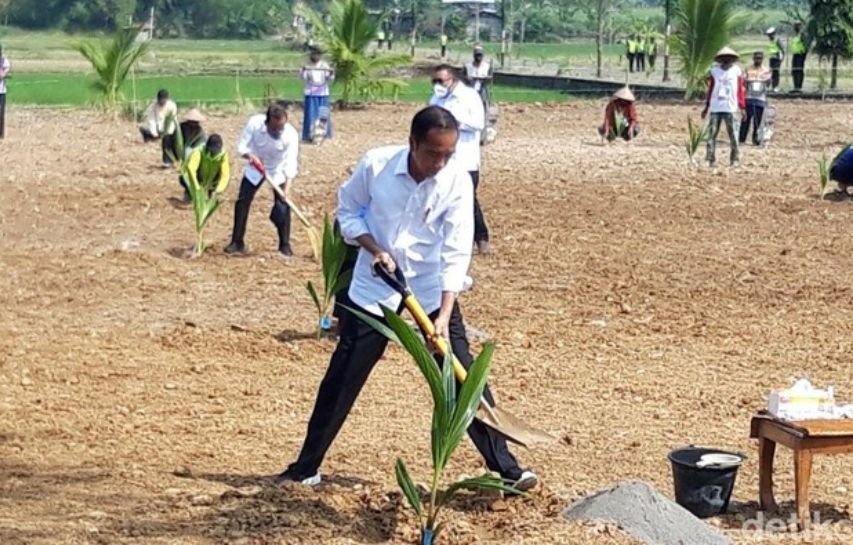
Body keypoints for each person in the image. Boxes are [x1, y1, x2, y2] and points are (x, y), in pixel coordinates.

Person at [275, 106, 538, 493]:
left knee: (461, 374)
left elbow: (455, 251)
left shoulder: (457, 182)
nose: (441, 162)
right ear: (412, 142)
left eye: (448, 154)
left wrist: (445, 315)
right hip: (375, 286)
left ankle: (507, 469)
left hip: (432, 289)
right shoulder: (376, 166)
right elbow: (348, 211)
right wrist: (372, 246)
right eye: (433, 152)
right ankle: (306, 467)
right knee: (343, 375)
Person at [224, 102, 299, 257]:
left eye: (282, 126)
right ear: (268, 122)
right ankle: (237, 242)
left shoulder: (291, 135)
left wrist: (287, 189)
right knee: (242, 201)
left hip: (277, 169)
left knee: (282, 207)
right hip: (255, 167)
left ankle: (284, 245)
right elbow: (241, 147)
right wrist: (251, 156)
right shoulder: (254, 124)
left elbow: (291, 163)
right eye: (276, 127)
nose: (280, 130)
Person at [429, 65, 489, 255]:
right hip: (441, 158)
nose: (438, 85)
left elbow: (479, 123)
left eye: (441, 81)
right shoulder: (437, 98)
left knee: (467, 199)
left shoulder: (469, 97)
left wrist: (453, 122)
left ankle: (481, 237)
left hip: (465, 158)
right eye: (435, 81)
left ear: (453, 79)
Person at [702, 47, 745, 168]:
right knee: (711, 135)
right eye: (724, 58)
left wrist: (742, 106)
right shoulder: (715, 71)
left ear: (732, 59)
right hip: (716, 107)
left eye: (729, 58)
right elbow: (711, 90)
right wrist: (707, 107)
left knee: (733, 135)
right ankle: (710, 159)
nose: (726, 60)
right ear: (720, 59)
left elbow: (740, 90)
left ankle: (734, 159)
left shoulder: (736, 71)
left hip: (730, 107)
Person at [300, 47, 334, 143]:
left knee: (323, 114)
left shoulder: (324, 65)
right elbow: (303, 77)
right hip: (311, 93)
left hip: (323, 93)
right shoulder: (307, 65)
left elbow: (329, 78)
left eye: (318, 54)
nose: (316, 56)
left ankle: (325, 134)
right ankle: (309, 136)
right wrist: (303, 70)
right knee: (311, 115)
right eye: (314, 54)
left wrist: (331, 73)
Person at [139, 89, 178, 167]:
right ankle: (152, 139)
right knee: (143, 128)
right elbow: (151, 119)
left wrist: (166, 132)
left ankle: (171, 160)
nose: (162, 102)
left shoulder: (172, 106)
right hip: (157, 127)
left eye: (163, 100)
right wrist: (155, 133)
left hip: (169, 127)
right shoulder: (153, 106)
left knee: (168, 140)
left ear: (167, 99)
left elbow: (172, 120)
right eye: (160, 100)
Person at [739, 52, 771, 147]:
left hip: (760, 99)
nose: (758, 60)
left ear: (762, 59)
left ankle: (756, 139)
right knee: (746, 120)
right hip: (749, 97)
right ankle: (741, 138)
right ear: (753, 58)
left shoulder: (766, 70)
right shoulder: (748, 69)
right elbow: (744, 81)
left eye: (760, 58)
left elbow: (768, 83)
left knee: (758, 120)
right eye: (756, 58)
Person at [765, 27, 785, 92]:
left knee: (776, 73)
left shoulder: (777, 40)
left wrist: (782, 58)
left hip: (777, 58)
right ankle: (771, 87)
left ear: (773, 34)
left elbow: (782, 49)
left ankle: (776, 87)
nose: (769, 36)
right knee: (771, 73)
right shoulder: (770, 41)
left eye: (770, 35)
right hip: (771, 58)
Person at [790, 22, 808, 92]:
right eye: (795, 26)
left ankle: (799, 87)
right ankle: (795, 87)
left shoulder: (802, 35)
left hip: (800, 55)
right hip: (795, 54)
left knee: (799, 70)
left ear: (801, 27)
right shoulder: (795, 35)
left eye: (798, 26)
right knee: (794, 71)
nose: (796, 27)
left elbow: (806, 46)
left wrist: (803, 55)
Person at [0, 43, 10, 140]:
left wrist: (3, 73)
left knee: (1, 113)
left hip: (1, 91)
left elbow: (3, 74)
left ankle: (1, 134)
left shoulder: (5, 61)